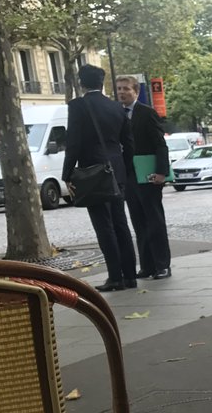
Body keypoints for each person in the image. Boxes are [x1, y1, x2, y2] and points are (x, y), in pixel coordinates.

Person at [62, 64, 137, 292]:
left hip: (93, 172)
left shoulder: (78, 106)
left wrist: (67, 173)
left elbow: (73, 142)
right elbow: (128, 142)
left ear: (81, 83)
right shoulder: (116, 107)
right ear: (102, 82)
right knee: (120, 223)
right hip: (116, 169)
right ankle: (130, 276)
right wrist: (125, 168)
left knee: (104, 226)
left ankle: (115, 277)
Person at [116, 75, 172, 280]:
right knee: (138, 221)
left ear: (136, 92)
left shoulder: (147, 113)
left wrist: (161, 172)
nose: (121, 92)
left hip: (148, 174)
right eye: (119, 89)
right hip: (129, 175)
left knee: (154, 220)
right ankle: (147, 265)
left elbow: (160, 144)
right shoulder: (117, 114)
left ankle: (162, 265)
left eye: (126, 89)